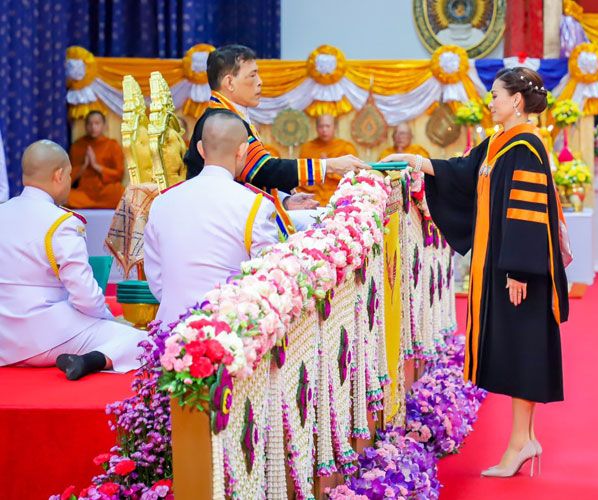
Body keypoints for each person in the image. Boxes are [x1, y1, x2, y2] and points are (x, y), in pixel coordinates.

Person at [382, 67, 569, 478]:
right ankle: (527, 437)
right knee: (520, 348)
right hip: (505, 265)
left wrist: (519, 269)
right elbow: (464, 172)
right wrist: (416, 160)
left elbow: (526, 211)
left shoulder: (526, 147)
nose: (491, 101)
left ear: (516, 100)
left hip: (520, 271)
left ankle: (520, 442)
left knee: (523, 351)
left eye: (496, 95)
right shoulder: (501, 142)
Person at [0, 140, 147, 380]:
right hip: (45, 335)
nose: (70, 181)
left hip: (4, 338)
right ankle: (91, 360)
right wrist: (110, 321)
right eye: (69, 175)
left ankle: (84, 360)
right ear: (59, 175)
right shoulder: (62, 222)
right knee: (143, 340)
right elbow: (84, 295)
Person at [145, 111, 290, 326]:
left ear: (201, 149)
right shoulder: (255, 205)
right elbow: (267, 278)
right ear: (242, 151)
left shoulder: (161, 202)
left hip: (171, 333)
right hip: (231, 333)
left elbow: (157, 281)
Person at [184, 45, 366, 210]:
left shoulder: (227, 115)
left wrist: (284, 200)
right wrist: (329, 166)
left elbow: (249, 178)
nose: (260, 81)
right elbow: (262, 169)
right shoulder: (222, 122)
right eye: (252, 75)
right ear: (230, 83)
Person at [67, 111, 126, 209]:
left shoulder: (112, 145)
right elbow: (69, 176)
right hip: (84, 192)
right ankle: (90, 204)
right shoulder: (78, 146)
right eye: (90, 124)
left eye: (97, 123)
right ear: (85, 126)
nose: (93, 127)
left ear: (104, 126)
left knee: (120, 193)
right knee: (66, 197)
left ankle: (88, 205)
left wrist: (96, 166)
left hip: (105, 191)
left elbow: (119, 174)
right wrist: (84, 166)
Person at [296, 114, 358, 205]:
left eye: (327, 126)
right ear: (316, 128)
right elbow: (301, 177)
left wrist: (330, 166)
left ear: (335, 127)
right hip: (313, 195)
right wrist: (319, 167)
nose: (324, 130)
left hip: (337, 194)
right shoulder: (307, 148)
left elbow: (353, 176)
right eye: (321, 126)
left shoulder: (345, 147)